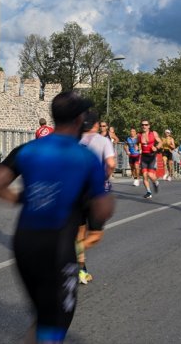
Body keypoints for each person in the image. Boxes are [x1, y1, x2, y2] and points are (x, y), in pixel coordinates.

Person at [0, 92, 114, 344]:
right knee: (55, 324)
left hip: (24, 244)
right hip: (58, 248)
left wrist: (22, 199)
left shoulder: (28, 149)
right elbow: (101, 210)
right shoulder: (85, 158)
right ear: (79, 119)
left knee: (44, 316)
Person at [77, 111, 115, 285]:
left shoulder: (73, 139)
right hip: (94, 191)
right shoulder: (103, 140)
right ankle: (68, 257)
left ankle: (81, 270)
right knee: (95, 235)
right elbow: (112, 164)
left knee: (79, 232)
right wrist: (105, 177)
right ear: (97, 125)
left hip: (75, 191)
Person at [138, 120, 162, 199]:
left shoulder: (153, 133)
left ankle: (156, 182)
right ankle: (149, 192)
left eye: (146, 124)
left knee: (150, 175)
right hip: (144, 156)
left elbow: (160, 142)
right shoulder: (140, 135)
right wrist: (137, 148)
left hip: (151, 156)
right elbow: (138, 143)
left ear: (149, 126)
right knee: (144, 176)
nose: (144, 126)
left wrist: (156, 147)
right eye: (142, 125)